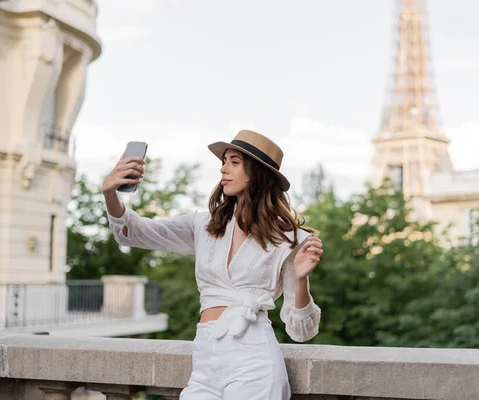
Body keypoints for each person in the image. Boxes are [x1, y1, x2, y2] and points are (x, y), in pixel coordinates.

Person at [102, 129, 323, 399]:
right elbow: (137, 233)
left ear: (257, 173)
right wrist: (110, 194)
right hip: (206, 361)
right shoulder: (204, 225)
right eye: (223, 161)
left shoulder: (289, 240)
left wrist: (301, 280)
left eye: (234, 162)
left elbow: (301, 331)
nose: (223, 169)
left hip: (254, 360)